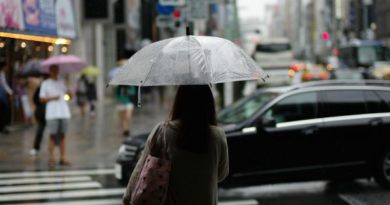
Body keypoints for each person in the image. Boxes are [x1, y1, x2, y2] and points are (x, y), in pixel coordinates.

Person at [123, 85, 229, 205]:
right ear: (209, 104)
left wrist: (127, 198)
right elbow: (221, 174)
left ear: (179, 102)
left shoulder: (163, 131)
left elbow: (141, 169)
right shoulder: (218, 135)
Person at [39, 65, 71, 166]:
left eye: (57, 69)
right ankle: (51, 157)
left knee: (62, 135)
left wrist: (69, 91)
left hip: (63, 112)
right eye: (53, 69)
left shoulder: (62, 82)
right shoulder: (45, 83)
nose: (55, 71)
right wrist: (52, 98)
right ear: (50, 71)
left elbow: (69, 96)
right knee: (52, 135)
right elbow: (42, 99)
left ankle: (63, 157)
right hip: (52, 113)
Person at [29, 76, 47, 156]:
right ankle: (36, 147)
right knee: (40, 129)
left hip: (54, 112)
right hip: (43, 112)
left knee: (55, 132)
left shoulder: (57, 85)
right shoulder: (41, 87)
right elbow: (35, 99)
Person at [0, 62, 13, 134]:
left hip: (1, 95)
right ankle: (2, 127)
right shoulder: (1, 74)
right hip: (1, 96)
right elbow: (4, 84)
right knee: (3, 110)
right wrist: (10, 92)